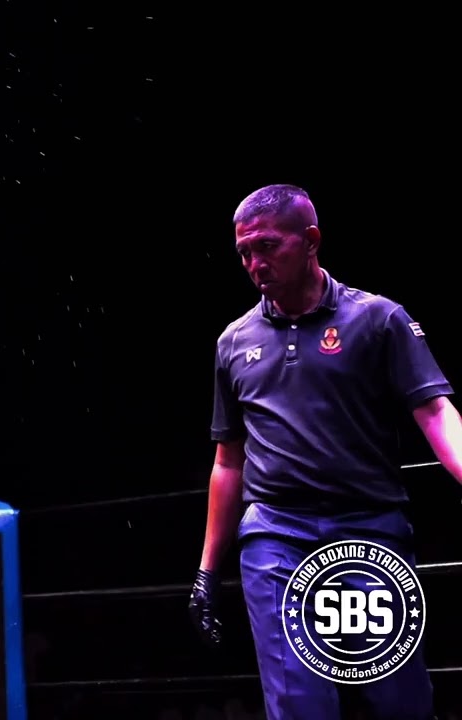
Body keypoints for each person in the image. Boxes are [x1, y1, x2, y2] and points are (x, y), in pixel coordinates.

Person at [188, 184, 462, 719]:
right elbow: (228, 461)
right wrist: (206, 571)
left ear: (310, 240)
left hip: (370, 529)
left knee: (399, 700)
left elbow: (436, 413)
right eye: (244, 252)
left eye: (268, 247)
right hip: (276, 536)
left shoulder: (378, 319)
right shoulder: (233, 341)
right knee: (298, 704)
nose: (255, 264)